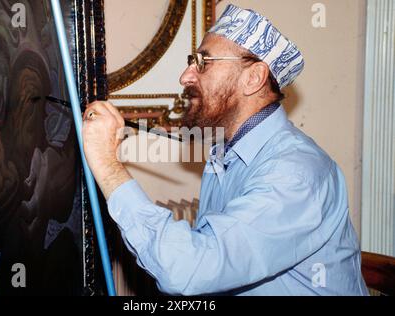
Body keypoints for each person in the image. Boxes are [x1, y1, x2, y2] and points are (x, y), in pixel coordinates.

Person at [82, 4, 368, 295]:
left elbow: (186, 271)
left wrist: (108, 165)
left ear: (254, 78)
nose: (185, 76)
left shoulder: (295, 174)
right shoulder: (224, 152)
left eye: (204, 62)